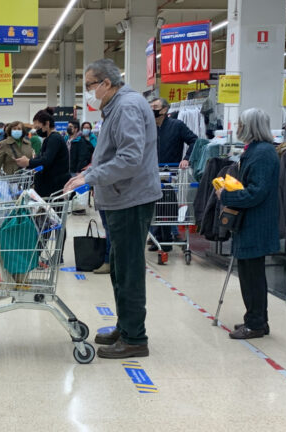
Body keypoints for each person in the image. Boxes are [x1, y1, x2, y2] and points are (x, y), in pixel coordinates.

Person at [64, 59, 161, 359]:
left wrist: (91, 177)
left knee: (129, 270)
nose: (88, 93)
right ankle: (126, 325)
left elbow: (130, 158)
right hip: (120, 198)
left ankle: (135, 339)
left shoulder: (127, 106)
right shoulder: (116, 107)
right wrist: (89, 171)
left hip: (131, 200)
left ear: (107, 83)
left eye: (90, 86)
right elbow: (113, 153)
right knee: (119, 268)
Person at [217, 108, 280, 339]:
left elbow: (256, 192)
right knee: (249, 273)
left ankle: (255, 323)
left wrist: (226, 195)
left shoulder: (262, 153)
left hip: (256, 223)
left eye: (241, 123)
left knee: (252, 275)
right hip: (251, 222)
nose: (237, 127)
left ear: (250, 126)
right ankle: (256, 320)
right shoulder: (256, 150)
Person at [148, 97, 199, 251]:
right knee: (154, 204)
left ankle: (166, 238)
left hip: (171, 171)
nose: (152, 110)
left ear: (164, 110)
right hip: (152, 172)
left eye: (155, 107)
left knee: (167, 202)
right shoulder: (148, 127)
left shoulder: (177, 126)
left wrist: (187, 158)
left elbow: (194, 141)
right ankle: (157, 237)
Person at [16, 108, 71, 198]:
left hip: (54, 187)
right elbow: (41, 157)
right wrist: (29, 163)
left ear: (47, 124)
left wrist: (28, 162)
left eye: (38, 128)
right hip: (49, 185)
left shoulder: (54, 139)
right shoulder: (49, 139)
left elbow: (46, 160)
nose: (37, 131)